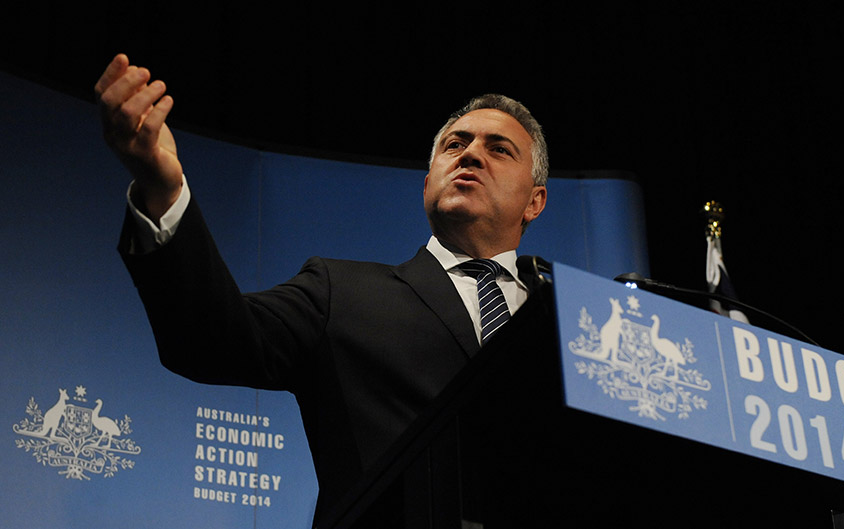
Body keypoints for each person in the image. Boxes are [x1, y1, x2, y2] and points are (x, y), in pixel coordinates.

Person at [95, 53, 549, 522]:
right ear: (428, 182)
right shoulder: (342, 293)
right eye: (455, 144)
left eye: (499, 149)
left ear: (534, 201)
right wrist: (163, 192)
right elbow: (209, 338)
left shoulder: (572, 325)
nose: (471, 153)